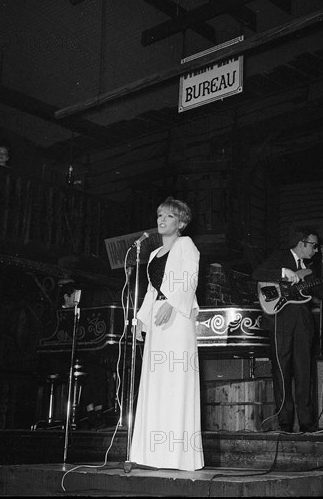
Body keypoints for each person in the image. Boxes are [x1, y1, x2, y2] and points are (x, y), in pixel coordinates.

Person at [252, 226, 323, 433]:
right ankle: (285, 423)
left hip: (303, 324)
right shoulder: (280, 257)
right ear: (301, 243)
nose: (316, 250)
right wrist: (283, 272)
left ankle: (306, 423)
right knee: (281, 371)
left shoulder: (309, 271)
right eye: (314, 246)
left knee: (304, 373)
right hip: (280, 321)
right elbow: (258, 273)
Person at [130, 197, 203, 471]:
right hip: (159, 320)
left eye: (169, 216)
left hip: (177, 318)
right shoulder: (152, 255)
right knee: (157, 383)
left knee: (176, 384)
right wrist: (141, 320)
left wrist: (172, 303)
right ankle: (154, 455)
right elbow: (151, 290)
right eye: (159, 215)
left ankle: (177, 456)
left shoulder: (186, 245)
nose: (161, 220)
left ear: (181, 222)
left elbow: (190, 278)